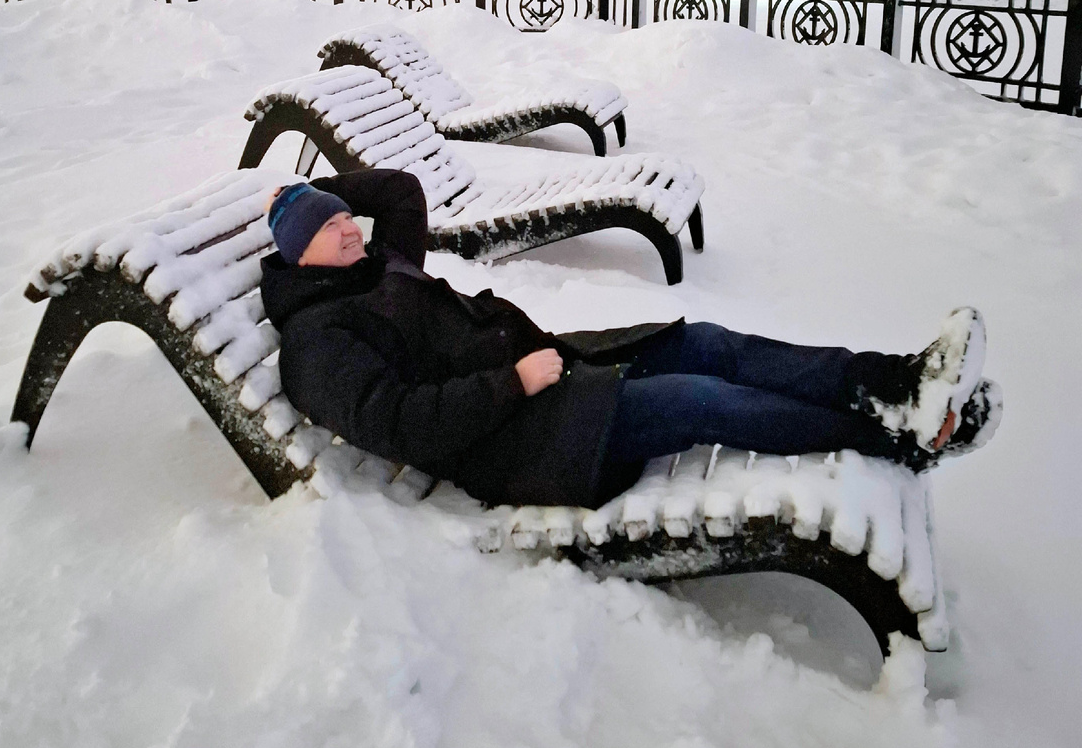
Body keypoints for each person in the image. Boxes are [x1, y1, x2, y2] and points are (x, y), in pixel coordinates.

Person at [259, 170, 1001, 510]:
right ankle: (898, 439)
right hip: (522, 436)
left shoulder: (373, 266)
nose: (351, 227)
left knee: (708, 342)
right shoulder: (318, 339)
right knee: (703, 399)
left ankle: (897, 384)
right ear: (299, 255)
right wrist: (512, 383)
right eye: (329, 228)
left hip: (558, 369)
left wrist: (300, 197)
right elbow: (396, 423)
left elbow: (399, 194)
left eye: (342, 218)